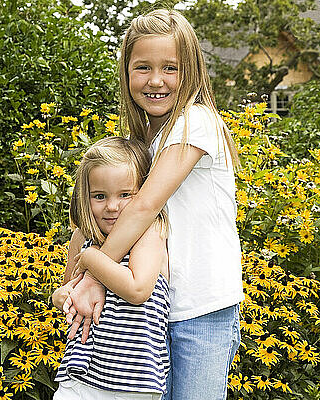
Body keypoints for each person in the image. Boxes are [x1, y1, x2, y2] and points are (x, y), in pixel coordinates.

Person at [64, 9, 244, 400]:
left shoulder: (197, 121)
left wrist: (93, 275)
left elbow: (144, 206)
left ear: (191, 71)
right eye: (143, 67)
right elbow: (102, 214)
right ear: (126, 72)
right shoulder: (147, 138)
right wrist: (73, 278)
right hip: (152, 311)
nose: (156, 80)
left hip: (201, 307)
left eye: (171, 68)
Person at [51, 136, 170, 400]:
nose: (112, 206)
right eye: (100, 196)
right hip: (78, 378)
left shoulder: (149, 233)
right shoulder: (83, 237)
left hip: (132, 383)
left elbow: (138, 289)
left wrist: (92, 258)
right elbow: (70, 289)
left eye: (125, 195)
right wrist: (60, 298)